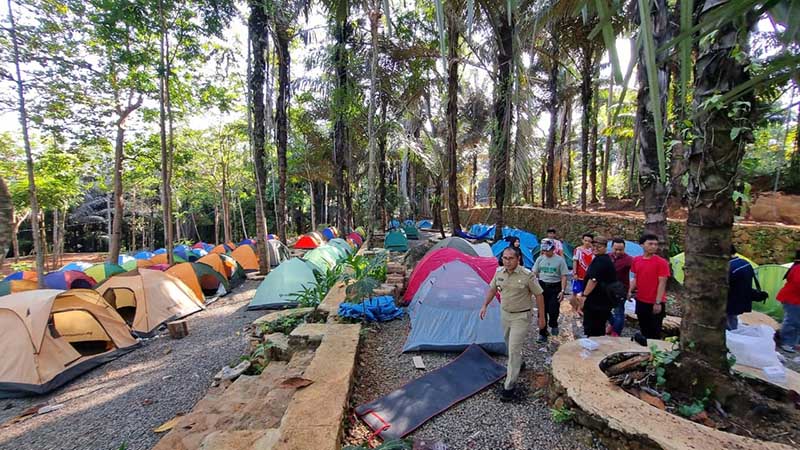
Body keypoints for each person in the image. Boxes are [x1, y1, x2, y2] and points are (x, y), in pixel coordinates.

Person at [480, 246, 546, 402]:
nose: (507, 261)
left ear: (518, 259)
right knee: (509, 344)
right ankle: (520, 363)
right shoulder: (499, 272)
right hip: (505, 315)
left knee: (514, 349)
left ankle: (509, 386)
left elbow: (539, 295)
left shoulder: (527, 275)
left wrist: (542, 318)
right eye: (504, 258)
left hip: (521, 317)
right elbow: (492, 289)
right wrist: (485, 305)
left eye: (511, 258)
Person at [628, 233, 670, 339]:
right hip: (641, 299)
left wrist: (658, 302)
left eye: (656, 244)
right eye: (650, 244)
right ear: (642, 245)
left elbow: (662, 283)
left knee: (655, 331)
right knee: (643, 328)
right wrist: (629, 290)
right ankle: (645, 352)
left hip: (654, 301)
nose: (654, 246)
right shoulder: (636, 260)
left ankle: (654, 353)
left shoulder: (661, 262)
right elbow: (636, 277)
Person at [575, 236, 617, 337]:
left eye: (599, 246)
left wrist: (584, 296)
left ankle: (593, 347)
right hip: (602, 301)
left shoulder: (601, 261)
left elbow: (593, 280)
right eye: (593, 246)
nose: (595, 248)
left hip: (597, 302)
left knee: (593, 328)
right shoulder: (602, 259)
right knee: (597, 327)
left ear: (605, 247)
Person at [532, 239, 569, 342]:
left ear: (553, 249)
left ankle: (553, 324)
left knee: (553, 309)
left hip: (555, 287)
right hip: (542, 286)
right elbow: (534, 273)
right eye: (544, 250)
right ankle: (542, 333)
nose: (545, 252)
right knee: (541, 311)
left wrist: (562, 290)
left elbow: (564, 276)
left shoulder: (560, 260)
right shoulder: (540, 259)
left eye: (547, 250)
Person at [608, 237, 633, 336]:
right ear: (612, 248)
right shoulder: (607, 257)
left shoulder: (629, 259)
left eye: (620, 250)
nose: (618, 251)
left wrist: (631, 290)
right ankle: (612, 324)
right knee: (604, 310)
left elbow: (637, 272)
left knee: (619, 311)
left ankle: (616, 332)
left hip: (621, 290)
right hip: (607, 289)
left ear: (624, 248)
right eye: (616, 249)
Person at [726, 246, 756, 330]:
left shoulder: (729, 267)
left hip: (730, 300)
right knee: (732, 320)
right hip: (741, 300)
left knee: (728, 323)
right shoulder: (745, 263)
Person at [777, 250, 800, 353]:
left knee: (796, 321)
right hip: (792, 298)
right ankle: (785, 342)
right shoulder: (798, 268)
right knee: (792, 321)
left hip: (795, 299)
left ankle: (793, 342)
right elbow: (797, 283)